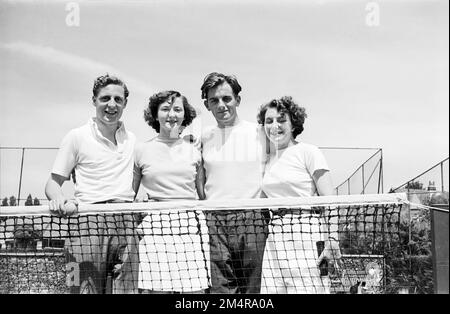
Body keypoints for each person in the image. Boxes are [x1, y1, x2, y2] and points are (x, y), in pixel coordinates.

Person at [45, 74, 139, 294]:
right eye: (105, 98)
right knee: (82, 289)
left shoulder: (132, 139)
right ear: (94, 101)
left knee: (128, 291)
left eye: (118, 99)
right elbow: (52, 183)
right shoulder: (76, 136)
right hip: (86, 222)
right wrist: (59, 198)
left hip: (126, 220)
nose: (111, 104)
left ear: (125, 103)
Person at [256, 96, 342, 294]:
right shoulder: (266, 159)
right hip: (275, 238)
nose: (274, 126)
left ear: (293, 123)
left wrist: (332, 239)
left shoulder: (309, 152)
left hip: (307, 235)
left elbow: (331, 199)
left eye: (281, 120)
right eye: (269, 121)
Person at [133, 90, 210, 293]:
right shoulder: (141, 150)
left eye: (177, 109)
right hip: (155, 229)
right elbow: (129, 196)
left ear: (185, 115)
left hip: (189, 227)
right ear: (155, 114)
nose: (171, 114)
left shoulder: (196, 151)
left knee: (194, 293)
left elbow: (203, 195)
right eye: (165, 109)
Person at [200, 72, 268, 293]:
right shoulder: (202, 139)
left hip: (252, 220)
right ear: (207, 104)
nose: (221, 105)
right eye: (214, 100)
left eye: (226, 98)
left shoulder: (260, 133)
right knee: (222, 291)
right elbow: (198, 179)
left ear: (237, 100)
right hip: (214, 220)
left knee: (252, 291)